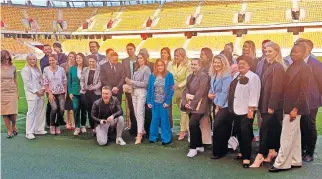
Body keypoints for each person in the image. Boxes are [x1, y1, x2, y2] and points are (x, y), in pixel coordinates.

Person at [269, 44, 311, 172]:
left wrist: (295, 109)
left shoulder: (305, 68)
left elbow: (304, 91)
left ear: (303, 54)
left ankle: (281, 163)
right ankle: (295, 160)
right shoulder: (292, 66)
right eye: (292, 52)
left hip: (294, 107)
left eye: (296, 52)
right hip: (288, 105)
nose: (293, 54)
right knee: (295, 134)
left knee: (286, 136)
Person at [250, 42, 286, 168]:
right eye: (266, 51)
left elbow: (277, 88)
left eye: (270, 51)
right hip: (265, 103)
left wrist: (271, 106)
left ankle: (260, 155)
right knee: (272, 130)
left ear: (277, 52)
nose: (267, 53)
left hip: (271, 105)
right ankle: (272, 152)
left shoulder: (278, 67)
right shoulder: (269, 65)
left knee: (264, 130)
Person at [227, 55, 261, 168]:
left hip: (247, 110)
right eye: (239, 63)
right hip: (236, 109)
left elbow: (254, 93)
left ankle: (247, 157)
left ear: (249, 65)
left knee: (245, 132)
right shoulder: (236, 75)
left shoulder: (253, 77)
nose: (241, 65)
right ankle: (241, 152)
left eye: (244, 63)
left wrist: (251, 109)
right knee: (239, 131)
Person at [296, 39, 322, 162]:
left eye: (302, 46)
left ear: (309, 49)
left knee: (309, 126)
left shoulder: (315, 64)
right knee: (299, 125)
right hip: (298, 100)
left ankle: (309, 152)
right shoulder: (294, 61)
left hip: (311, 101)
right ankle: (301, 149)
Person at [182, 58, 209, 158]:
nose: (193, 66)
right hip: (190, 104)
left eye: (195, 64)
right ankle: (199, 145)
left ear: (200, 66)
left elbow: (201, 91)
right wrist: (185, 103)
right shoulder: (189, 76)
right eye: (192, 64)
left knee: (192, 124)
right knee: (195, 125)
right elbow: (186, 90)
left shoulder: (203, 76)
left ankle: (193, 148)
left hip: (200, 105)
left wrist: (192, 104)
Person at [208, 54, 232, 159]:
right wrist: (209, 93)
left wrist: (218, 106)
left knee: (217, 127)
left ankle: (218, 152)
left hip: (224, 106)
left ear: (223, 63)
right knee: (220, 128)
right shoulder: (213, 74)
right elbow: (212, 88)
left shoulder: (226, 75)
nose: (216, 64)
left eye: (218, 62)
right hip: (216, 102)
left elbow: (225, 92)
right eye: (215, 62)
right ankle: (221, 150)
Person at [125, 52, 151, 144]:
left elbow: (145, 84)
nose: (139, 60)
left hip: (141, 92)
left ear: (145, 59)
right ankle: (142, 130)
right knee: (136, 113)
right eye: (138, 58)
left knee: (139, 112)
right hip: (134, 92)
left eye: (141, 58)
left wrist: (132, 82)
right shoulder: (137, 68)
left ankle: (139, 134)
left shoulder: (146, 69)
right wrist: (130, 83)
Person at [147, 59, 174, 145]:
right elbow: (150, 89)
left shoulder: (169, 75)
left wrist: (167, 101)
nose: (160, 67)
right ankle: (153, 137)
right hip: (155, 102)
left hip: (164, 103)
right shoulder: (152, 76)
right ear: (156, 66)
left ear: (164, 66)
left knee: (165, 120)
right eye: (158, 65)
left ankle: (166, 138)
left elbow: (171, 89)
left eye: (161, 65)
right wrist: (149, 101)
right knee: (154, 120)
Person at [21, 53, 47, 139]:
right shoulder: (25, 70)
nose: (32, 61)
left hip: (40, 92)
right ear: (27, 60)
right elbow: (27, 83)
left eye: (34, 59)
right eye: (30, 59)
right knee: (31, 112)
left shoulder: (37, 69)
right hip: (32, 94)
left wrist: (43, 89)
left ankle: (39, 129)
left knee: (41, 110)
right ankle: (29, 132)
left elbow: (41, 80)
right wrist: (36, 91)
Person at [168, 48, 191, 140]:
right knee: (168, 107)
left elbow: (188, 78)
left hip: (183, 90)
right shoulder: (170, 64)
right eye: (175, 55)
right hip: (172, 89)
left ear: (183, 56)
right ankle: (170, 128)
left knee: (183, 111)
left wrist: (179, 85)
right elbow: (168, 75)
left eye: (178, 55)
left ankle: (183, 131)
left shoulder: (188, 65)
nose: (176, 57)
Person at [41, 44, 65, 127]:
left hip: (60, 89)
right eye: (45, 49)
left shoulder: (58, 60)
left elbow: (63, 78)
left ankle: (59, 121)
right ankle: (50, 123)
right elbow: (45, 78)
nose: (47, 50)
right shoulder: (43, 61)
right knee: (52, 107)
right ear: (43, 51)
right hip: (50, 88)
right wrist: (48, 91)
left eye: (49, 49)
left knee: (60, 107)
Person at [43, 54, 67, 135]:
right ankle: (52, 125)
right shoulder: (46, 70)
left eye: (53, 60)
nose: (51, 62)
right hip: (51, 92)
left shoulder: (61, 69)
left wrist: (65, 92)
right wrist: (49, 93)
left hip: (61, 92)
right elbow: (45, 83)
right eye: (50, 60)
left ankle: (57, 125)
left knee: (62, 109)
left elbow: (64, 81)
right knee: (54, 108)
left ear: (56, 61)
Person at [80, 55, 102, 136]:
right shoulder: (85, 69)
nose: (91, 63)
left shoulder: (99, 70)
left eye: (93, 61)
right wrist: (83, 86)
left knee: (96, 110)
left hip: (96, 93)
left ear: (96, 62)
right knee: (89, 111)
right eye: (90, 61)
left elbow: (100, 82)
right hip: (86, 93)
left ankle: (98, 127)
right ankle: (93, 128)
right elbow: (82, 80)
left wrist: (93, 88)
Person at [1, 50, 19, 138]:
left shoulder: (13, 67)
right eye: (5, 57)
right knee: (4, 113)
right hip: (2, 92)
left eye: (8, 57)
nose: (7, 59)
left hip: (12, 92)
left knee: (13, 113)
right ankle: (9, 130)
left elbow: (15, 80)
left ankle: (14, 126)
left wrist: (17, 92)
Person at [68, 53, 87, 136]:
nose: (78, 59)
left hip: (84, 92)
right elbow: (69, 82)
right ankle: (77, 127)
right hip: (74, 92)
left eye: (80, 58)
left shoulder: (86, 69)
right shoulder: (72, 69)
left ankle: (83, 125)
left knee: (83, 109)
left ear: (83, 59)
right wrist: (70, 92)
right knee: (76, 109)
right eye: (77, 58)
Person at [122, 43, 138, 136]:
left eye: (131, 49)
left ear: (134, 49)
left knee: (139, 108)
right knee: (131, 108)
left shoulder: (139, 59)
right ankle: (133, 128)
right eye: (127, 49)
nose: (129, 51)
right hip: (129, 87)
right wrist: (126, 80)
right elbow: (122, 73)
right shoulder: (124, 61)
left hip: (138, 87)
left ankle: (141, 127)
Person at [199, 47, 213, 145]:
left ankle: (206, 139)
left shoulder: (209, 67)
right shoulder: (202, 66)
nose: (201, 56)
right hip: (201, 94)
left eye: (203, 54)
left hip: (206, 94)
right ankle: (204, 138)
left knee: (205, 116)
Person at [139, 48, 154, 136]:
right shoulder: (138, 66)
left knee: (149, 112)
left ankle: (149, 131)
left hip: (150, 91)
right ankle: (142, 130)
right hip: (140, 92)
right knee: (140, 112)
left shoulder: (152, 65)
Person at [60, 52, 76, 130]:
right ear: (68, 57)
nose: (71, 58)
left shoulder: (76, 66)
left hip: (73, 88)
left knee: (73, 106)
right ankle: (67, 122)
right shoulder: (63, 66)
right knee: (67, 106)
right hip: (65, 87)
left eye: (73, 57)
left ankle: (73, 122)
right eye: (70, 56)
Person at [160, 47, 173, 128]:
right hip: (159, 89)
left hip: (168, 88)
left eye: (165, 52)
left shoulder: (171, 63)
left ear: (168, 54)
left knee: (168, 107)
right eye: (162, 52)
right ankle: (161, 126)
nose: (163, 54)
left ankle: (169, 126)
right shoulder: (158, 63)